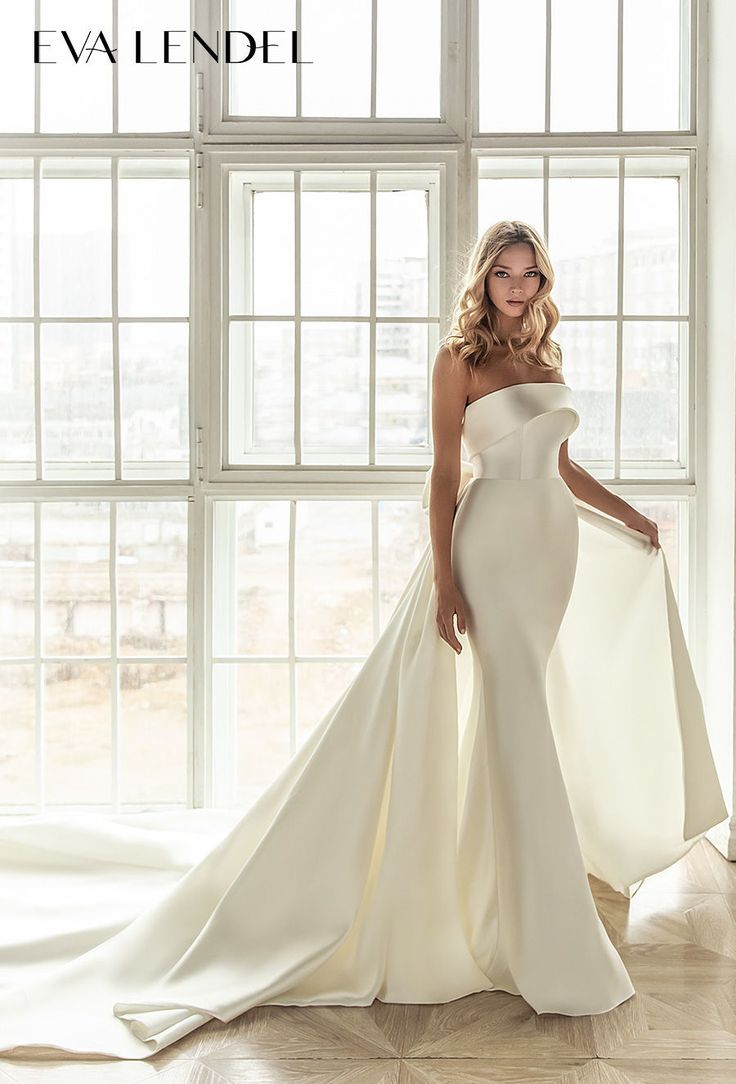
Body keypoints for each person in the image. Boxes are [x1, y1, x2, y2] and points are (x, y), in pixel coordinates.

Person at [0, 221, 726, 1061]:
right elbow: (447, 476)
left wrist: (627, 512)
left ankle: (511, 909)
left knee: (522, 729)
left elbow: (558, 466)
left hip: (551, 549)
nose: (518, 288)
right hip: (490, 553)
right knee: (518, 722)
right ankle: (547, 939)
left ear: (543, 281)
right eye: (503, 274)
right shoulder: (460, 359)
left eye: (530, 275)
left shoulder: (546, 358)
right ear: (482, 280)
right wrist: (448, 580)